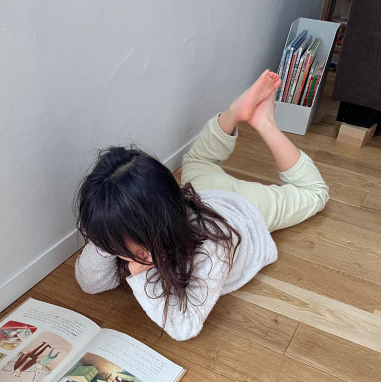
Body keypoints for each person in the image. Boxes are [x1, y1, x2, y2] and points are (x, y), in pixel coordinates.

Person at [75, 70, 328, 341]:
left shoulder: (213, 249)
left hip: (243, 209)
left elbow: (185, 327)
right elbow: (89, 284)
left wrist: (140, 275)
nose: (114, 251)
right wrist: (106, 244)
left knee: (315, 194)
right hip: (201, 192)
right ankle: (234, 112)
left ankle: (264, 122)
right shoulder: (132, 227)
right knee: (197, 161)